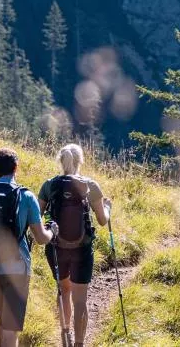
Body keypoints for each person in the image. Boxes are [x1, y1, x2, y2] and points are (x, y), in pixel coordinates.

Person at [0, 148, 57, 347]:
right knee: (10, 327)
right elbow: (41, 238)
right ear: (16, 168)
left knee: (1, 321)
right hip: (17, 267)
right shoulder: (26, 196)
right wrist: (52, 232)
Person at [39, 144, 111, 347]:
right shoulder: (90, 185)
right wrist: (107, 208)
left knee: (63, 290)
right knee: (80, 300)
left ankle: (65, 334)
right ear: (80, 161)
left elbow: (37, 216)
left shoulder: (49, 185)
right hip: (82, 249)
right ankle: (79, 343)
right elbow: (102, 220)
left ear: (60, 162)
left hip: (56, 248)